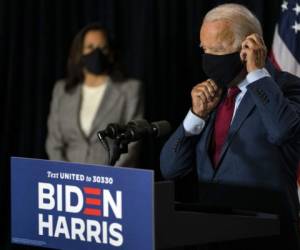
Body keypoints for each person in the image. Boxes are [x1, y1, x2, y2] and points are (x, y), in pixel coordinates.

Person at [160, 3, 300, 249]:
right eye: (205, 49)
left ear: (249, 46)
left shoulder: (287, 88)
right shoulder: (213, 95)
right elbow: (171, 168)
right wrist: (196, 116)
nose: (209, 58)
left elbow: (282, 132)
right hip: (210, 234)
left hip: (265, 237)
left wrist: (257, 75)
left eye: (218, 49)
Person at [46, 23, 143, 167]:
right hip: (67, 182)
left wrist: (107, 177)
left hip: (111, 181)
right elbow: (53, 143)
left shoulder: (130, 89)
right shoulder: (62, 90)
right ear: (79, 53)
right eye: (90, 47)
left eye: (102, 48)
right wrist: (64, 175)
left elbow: (133, 142)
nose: (96, 53)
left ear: (110, 53)